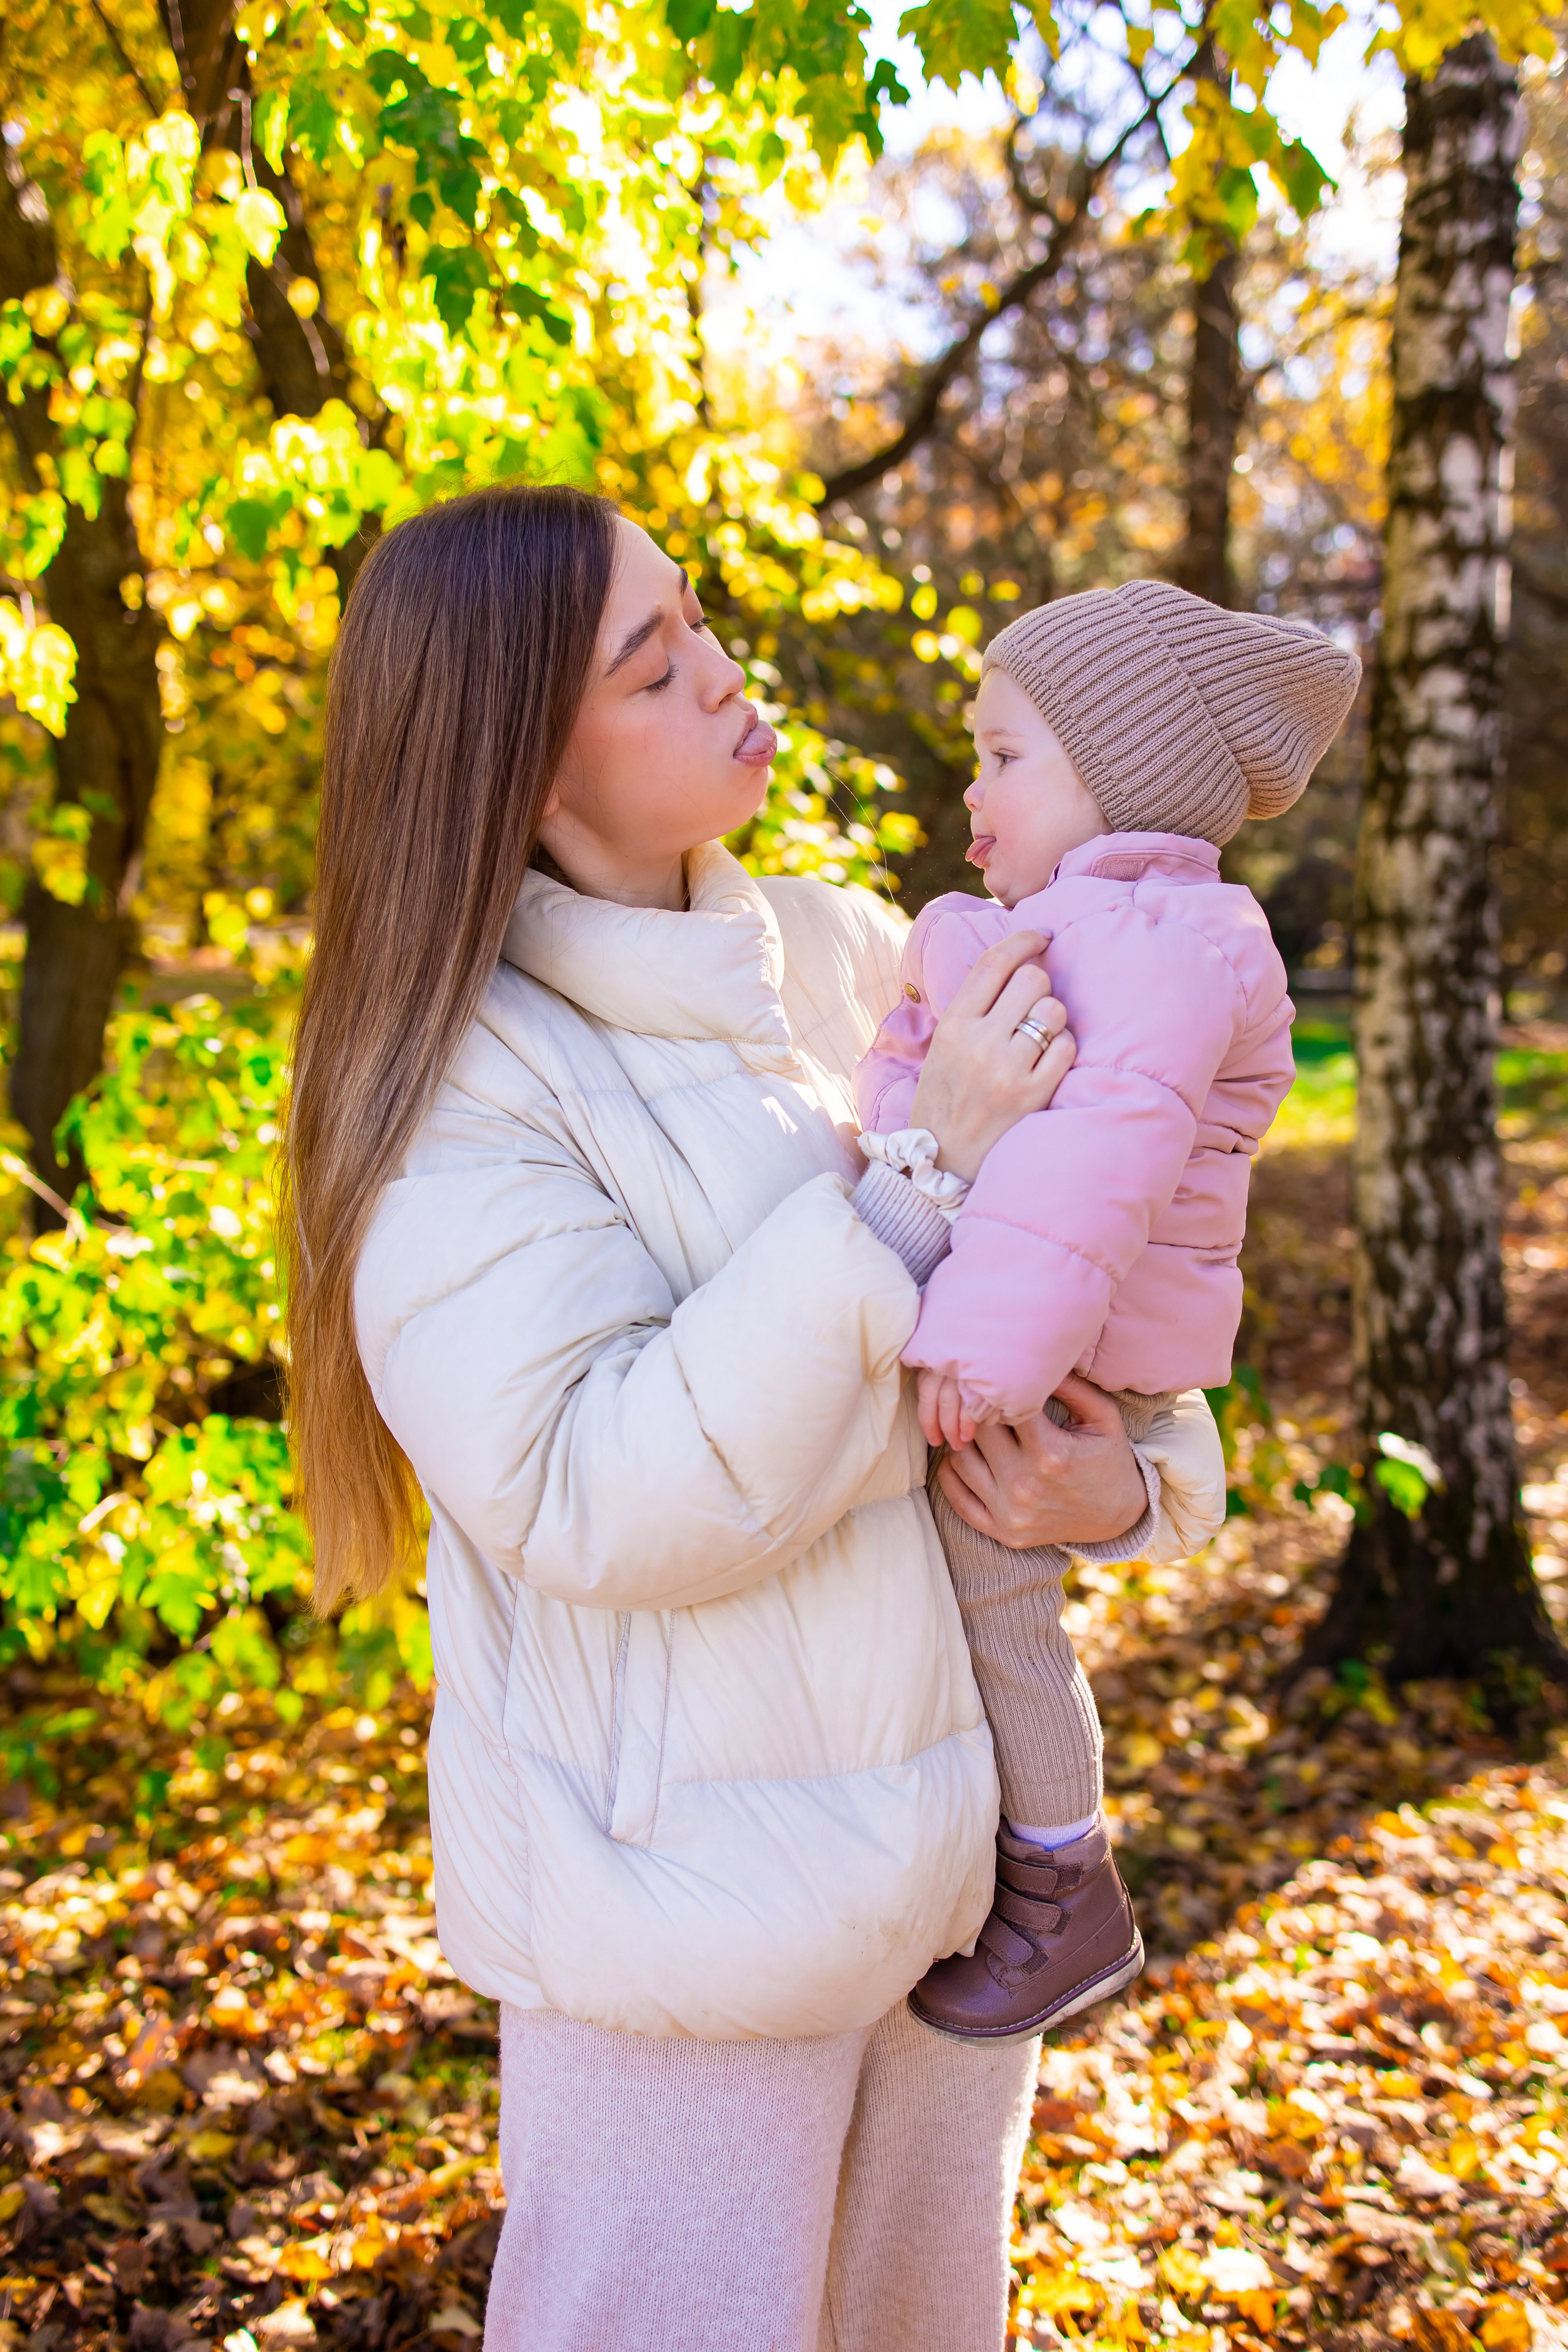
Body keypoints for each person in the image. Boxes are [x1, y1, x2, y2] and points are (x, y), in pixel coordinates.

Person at [282, 485, 1228, 2352]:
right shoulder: (461, 1094)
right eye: (656, 663)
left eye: (698, 616)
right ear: (522, 771)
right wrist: (914, 1180)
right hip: (687, 1944)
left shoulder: (860, 953)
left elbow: (1128, 1234)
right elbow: (596, 1490)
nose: (725, 671)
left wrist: (1132, 1486)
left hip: (961, 1901)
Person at [856, 580, 1361, 2046]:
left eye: (1004, 755)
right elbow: (904, 1091)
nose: (970, 785)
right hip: (1030, 1333)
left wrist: (980, 1349)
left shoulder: (1166, 942)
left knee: (996, 1594)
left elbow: (1096, 1163)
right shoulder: (1059, 927)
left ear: (1120, 776)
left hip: (1066, 1362)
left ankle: (1062, 1880)